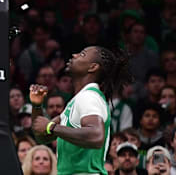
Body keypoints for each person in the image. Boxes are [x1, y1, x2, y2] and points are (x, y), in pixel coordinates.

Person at [29, 46, 133, 175]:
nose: (74, 55)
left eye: (82, 54)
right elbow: (42, 136)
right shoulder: (77, 100)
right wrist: (37, 106)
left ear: (93, 67)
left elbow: (96, 136)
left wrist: (51, 126)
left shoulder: (89, 97)